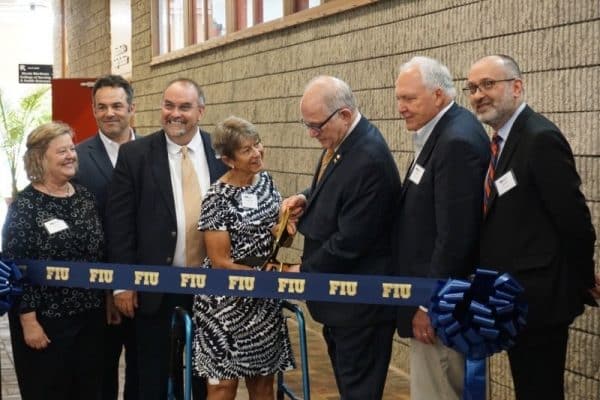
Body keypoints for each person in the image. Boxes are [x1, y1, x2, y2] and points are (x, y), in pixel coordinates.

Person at [466, 54, 596, 400]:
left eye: (488, 84)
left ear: (517, 87)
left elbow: (574, 221)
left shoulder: (539, 138)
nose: (478, 94)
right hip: (511, 300)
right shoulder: (501, 143)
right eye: (472, 88)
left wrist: (582, 281)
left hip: (540, 302)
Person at [105, 78, 227, 400]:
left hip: (210, 291)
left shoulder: (221, 154)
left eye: (184, 107)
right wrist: (122, 283)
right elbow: (120, 225)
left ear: (200, 111)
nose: (175, 114)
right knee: (151, 377)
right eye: (169, 105)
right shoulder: (135, 155)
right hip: (154, 289)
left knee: (205, 377)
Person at [282, 75, 401, 400]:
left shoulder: (368, 158)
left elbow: (351, 241)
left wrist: (302, 273)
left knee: (359, 391)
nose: (311, 134)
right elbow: (335, 188)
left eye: (317, 126)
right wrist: (307, 198)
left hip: (360, 308)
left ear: (345, 114)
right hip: (340, 305)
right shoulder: (344, 143)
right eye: (306, 125)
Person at [392, 56, 490, 400]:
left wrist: (427, 305)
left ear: (438, 95)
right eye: (399, 99)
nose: (401, 108)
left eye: (409, 99)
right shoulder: (441, 132)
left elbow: (455, 236)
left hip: (441, 307)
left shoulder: (455, 142)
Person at [192, 116, 296, 400]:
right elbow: (220, 262)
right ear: (228, 159)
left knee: (263, 385)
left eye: (257, 144)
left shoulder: (265, 183)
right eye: (247, 150)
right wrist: (265, 278)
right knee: (223, 387)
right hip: (225, 305)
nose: (257, 153)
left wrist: (285, 231)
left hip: (262, 303)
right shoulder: (216, 197)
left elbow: (277, 242)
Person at [2, 122, 105, 399]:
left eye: (72, 149)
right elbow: (15, 269)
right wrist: (28, 321)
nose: (71, 155)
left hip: (90, 320)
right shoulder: (25, 207)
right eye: (62, 151)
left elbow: (98, 253)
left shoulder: (85, 197)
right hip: (47, 323)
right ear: (40, 158)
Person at [73, 74, 138, 400]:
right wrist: (112, 286)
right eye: (102, 107)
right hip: (99, 292)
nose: (110, 113)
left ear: (132, 108)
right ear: (94, 110)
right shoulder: (78, 159)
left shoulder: (156, 153)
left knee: (146, 373)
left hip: (152, 287)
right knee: (101, 374)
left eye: (116, 105)